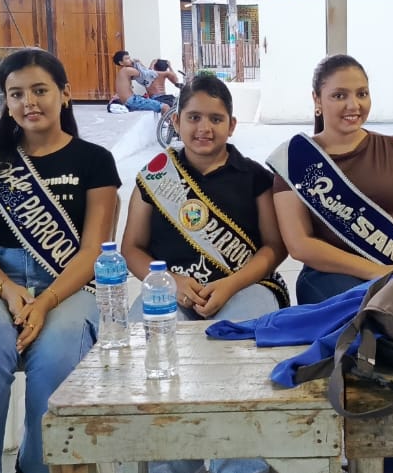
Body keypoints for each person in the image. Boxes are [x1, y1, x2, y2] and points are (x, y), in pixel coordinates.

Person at [0, 48, 120, 473]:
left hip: (69, 286)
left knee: (59, 355)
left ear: (65, 94)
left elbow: (94, 251)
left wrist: (44, 302)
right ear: (6, 102)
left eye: (40, 90)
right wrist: (8, 291)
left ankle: (37, 465)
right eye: (16, 94)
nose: (29, 102)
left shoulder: (95, 160)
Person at [269, 54, 393, 473]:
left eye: (361, 93)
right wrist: (382, 274)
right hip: (328, 280)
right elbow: (301, 245)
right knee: (375, 336)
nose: (353, 105)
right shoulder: (294, 161)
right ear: (317, 100)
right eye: (339, 95)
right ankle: (355, 449)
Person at [120, 73, 282, 473]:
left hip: (245, 286)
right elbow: (132, 249)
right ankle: (173, 462)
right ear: (176, 121)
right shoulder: (155, 175)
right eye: (193, 117)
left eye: (215, 118)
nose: (204, 128)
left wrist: (230, 284)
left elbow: (274, 248)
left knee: (244, 358)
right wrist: (170, 282)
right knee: (155, 353)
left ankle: (240, 464)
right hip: (171, 291)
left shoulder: (255, 177)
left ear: (232, 124)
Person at [112, 50, 170, 114]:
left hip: (130, 100)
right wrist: (140, 63)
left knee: (160, 105)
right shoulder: (127, 70)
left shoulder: (123, 72)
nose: (130, 60)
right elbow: (146, 75)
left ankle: (164, 120)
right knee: (165, 107)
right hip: (132, 101)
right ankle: (168, 120)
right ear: (121, 63)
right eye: (127, 59)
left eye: (129, 58)